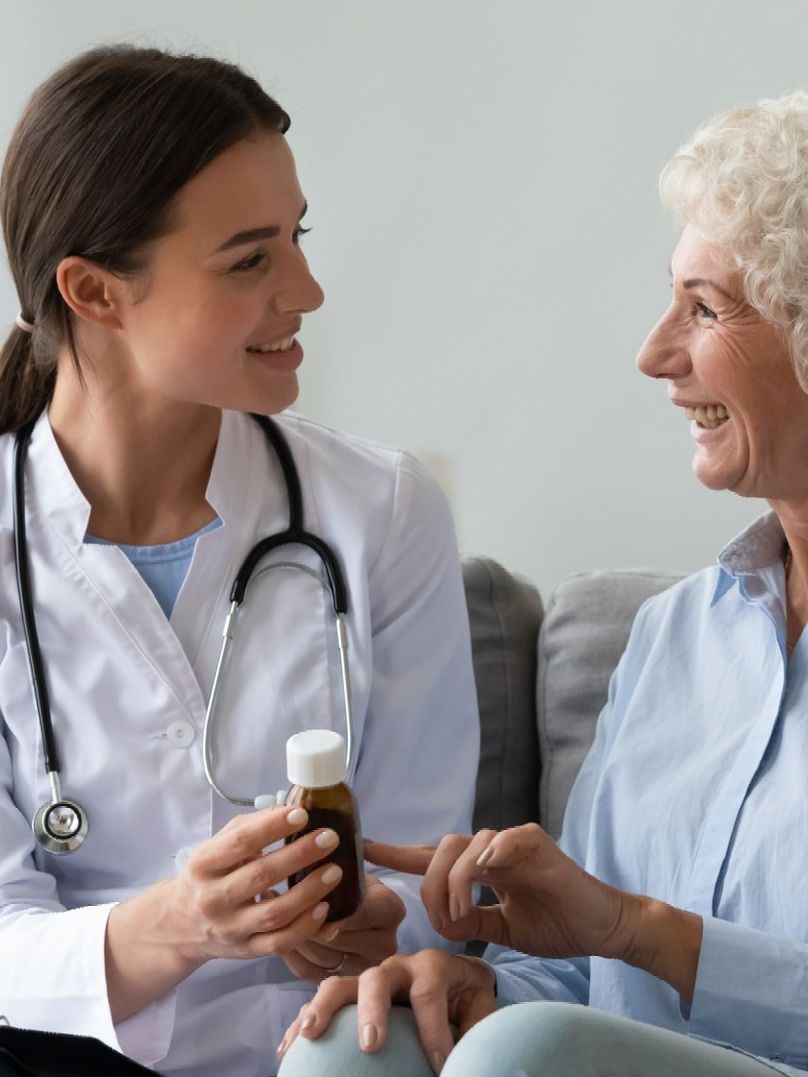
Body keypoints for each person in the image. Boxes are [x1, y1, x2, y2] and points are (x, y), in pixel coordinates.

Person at [277, 92, 808, 1077]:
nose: (653, 354)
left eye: (703, 307)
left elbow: (620, 948)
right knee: (353, 1047)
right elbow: (587, 985)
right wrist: (487, 985)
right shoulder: (674, 637)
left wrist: (642, 931)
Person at [0, 45, 479, 1076]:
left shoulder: (381, 511)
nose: (306, 289)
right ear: (94, 292)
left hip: (329, 1052)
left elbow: (423, 877)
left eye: (296, 239)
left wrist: (366, 922)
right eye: (249, 259)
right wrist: (181, 925)